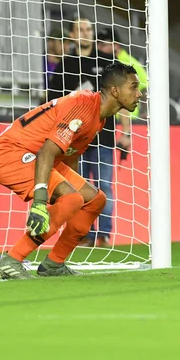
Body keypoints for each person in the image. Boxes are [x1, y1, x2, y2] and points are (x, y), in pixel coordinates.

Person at [0, 62, 142, 279]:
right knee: (72, 199)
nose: (139, 94)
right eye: (133, 87)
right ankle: (11, 259)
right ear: (115, 91)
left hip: (39, 155)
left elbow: (69, 155)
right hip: (11, 155)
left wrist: (69, 187)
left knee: (94, 199)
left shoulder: (99, 116)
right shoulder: (83, 107)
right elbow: (46, 152)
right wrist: (41, 201)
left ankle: (54, 264)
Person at [48, 18, 131, 248]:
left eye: (88, 29)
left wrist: (127, 132)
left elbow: (121, 98)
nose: (85, 33)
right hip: (73, 140)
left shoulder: (107, 62)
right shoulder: (66, 66)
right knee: (76, 187)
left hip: (103, 136)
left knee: (103, 186)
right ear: (73, 35)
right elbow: (52, 103)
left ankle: (104, 235)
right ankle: (83, 234)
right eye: (80, 30)